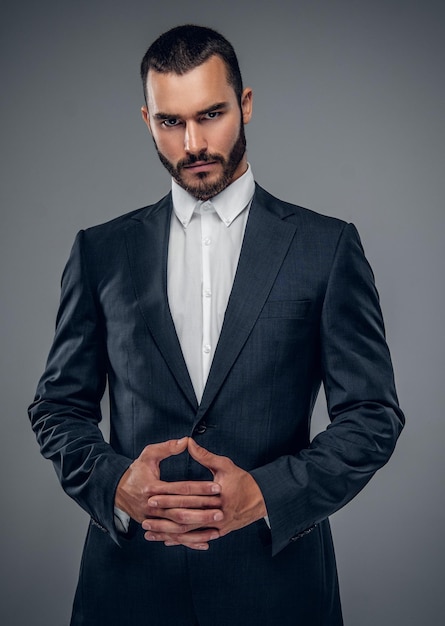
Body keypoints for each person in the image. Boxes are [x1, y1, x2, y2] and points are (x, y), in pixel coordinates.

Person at [29, 24, 404, 626]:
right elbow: (57, 407)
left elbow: (373, 417)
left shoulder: (325, 248)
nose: (194, 142)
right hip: (126, 593)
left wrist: (267, 494)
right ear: (147, 119)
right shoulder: (100, 252)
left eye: (211, 113)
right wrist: (116, 484)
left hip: (279, 592)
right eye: (171, 122)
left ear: (245, 104)